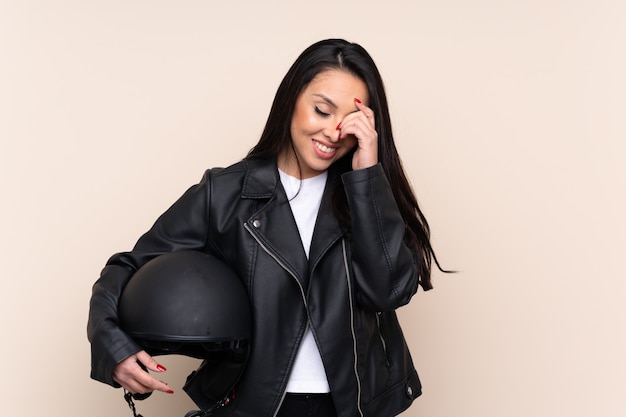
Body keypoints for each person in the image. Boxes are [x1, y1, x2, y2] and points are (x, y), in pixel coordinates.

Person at [88, 38, 445, 417]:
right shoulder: (224, 194)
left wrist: (368, 177)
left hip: (350, 407)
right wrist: (114, 348)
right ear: (292, 99)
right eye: (322, 110)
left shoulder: (367, 194)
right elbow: (128, 268)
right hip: (251, 405)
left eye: (350, 122)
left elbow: (389, 291)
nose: (333, 133)